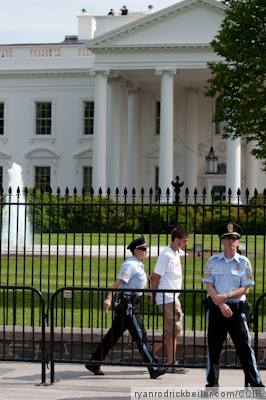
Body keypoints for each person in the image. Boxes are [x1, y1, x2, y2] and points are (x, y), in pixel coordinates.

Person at [85, 236, 166, 379]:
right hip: (128, 305)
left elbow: (134, 281)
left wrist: (148, 278)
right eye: (144, 249)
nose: (146, 251)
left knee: (113, 336)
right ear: (136, 250)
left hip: (130, 303)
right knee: (141, 335)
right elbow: (119, 282)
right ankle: (153, 367)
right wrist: (109, 297)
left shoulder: (138, 264)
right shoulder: (130, 265)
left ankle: (94, 362)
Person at [202, 222, 265, 389]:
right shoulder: (213, 261)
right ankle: (212, 385)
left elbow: (246, 288)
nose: (231, 241)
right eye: (227, 238)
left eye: (234, 238)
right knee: (213, 351)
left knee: (245, 351)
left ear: (238, 242)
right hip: (217, 310)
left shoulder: (244, 262)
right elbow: (208, 285)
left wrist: (226, 296)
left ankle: (256, 386)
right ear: (222, 241)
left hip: (237, 311)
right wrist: (221, 302)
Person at [149, 227, 189, 373]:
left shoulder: (174, 252)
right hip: (166, 297)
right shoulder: (166, 255)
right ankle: (171, 364)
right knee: (172, 331)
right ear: (176, 240)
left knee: (171, 331)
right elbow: (155, 276)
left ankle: (148, 353)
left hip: (172, 297)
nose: (186, 244)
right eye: (184, 241)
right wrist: (153, 296)